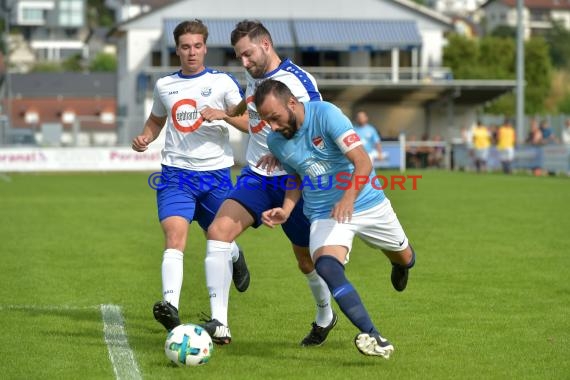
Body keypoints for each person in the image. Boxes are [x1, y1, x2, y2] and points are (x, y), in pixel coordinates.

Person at [198, 20, 336, 346]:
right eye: (239, 57)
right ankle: (220, 323)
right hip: (257, 176)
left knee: (306, 260)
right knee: (219, 232)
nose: (244, 63)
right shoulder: (254, 76)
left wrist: (288, 154)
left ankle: (325, 315)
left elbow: (318, 127)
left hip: (295, 179)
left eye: (248, 55)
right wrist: (225, 115)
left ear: (266, 45)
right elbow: (253, 117)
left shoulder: (298, 82)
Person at [255, 79, 416, 358]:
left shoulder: (326, 114)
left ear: (291, 103)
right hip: (324, 213)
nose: (272, 126)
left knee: (406, 258)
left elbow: (363, 161)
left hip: (367, 202)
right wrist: (287, 209)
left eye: (275, 117)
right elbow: (295, 175)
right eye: (267, 120)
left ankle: (399, 264)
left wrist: (348, 198)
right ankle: (374, 336)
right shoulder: (275, 140)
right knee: (327, 266)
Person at [131, 20, 250, 333]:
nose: (192, 52)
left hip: (216, 175)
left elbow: (249, 123)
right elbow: (156, 121)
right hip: (176, 176)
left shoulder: (223, 83)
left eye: (197, 46)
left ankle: (224, 300)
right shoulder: (165, 86)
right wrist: (145, 137)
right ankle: (170, 306)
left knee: (219, 241)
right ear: (178, 49)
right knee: (174, 238)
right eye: (186, 47)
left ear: (205, 47)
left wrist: (223, 114)